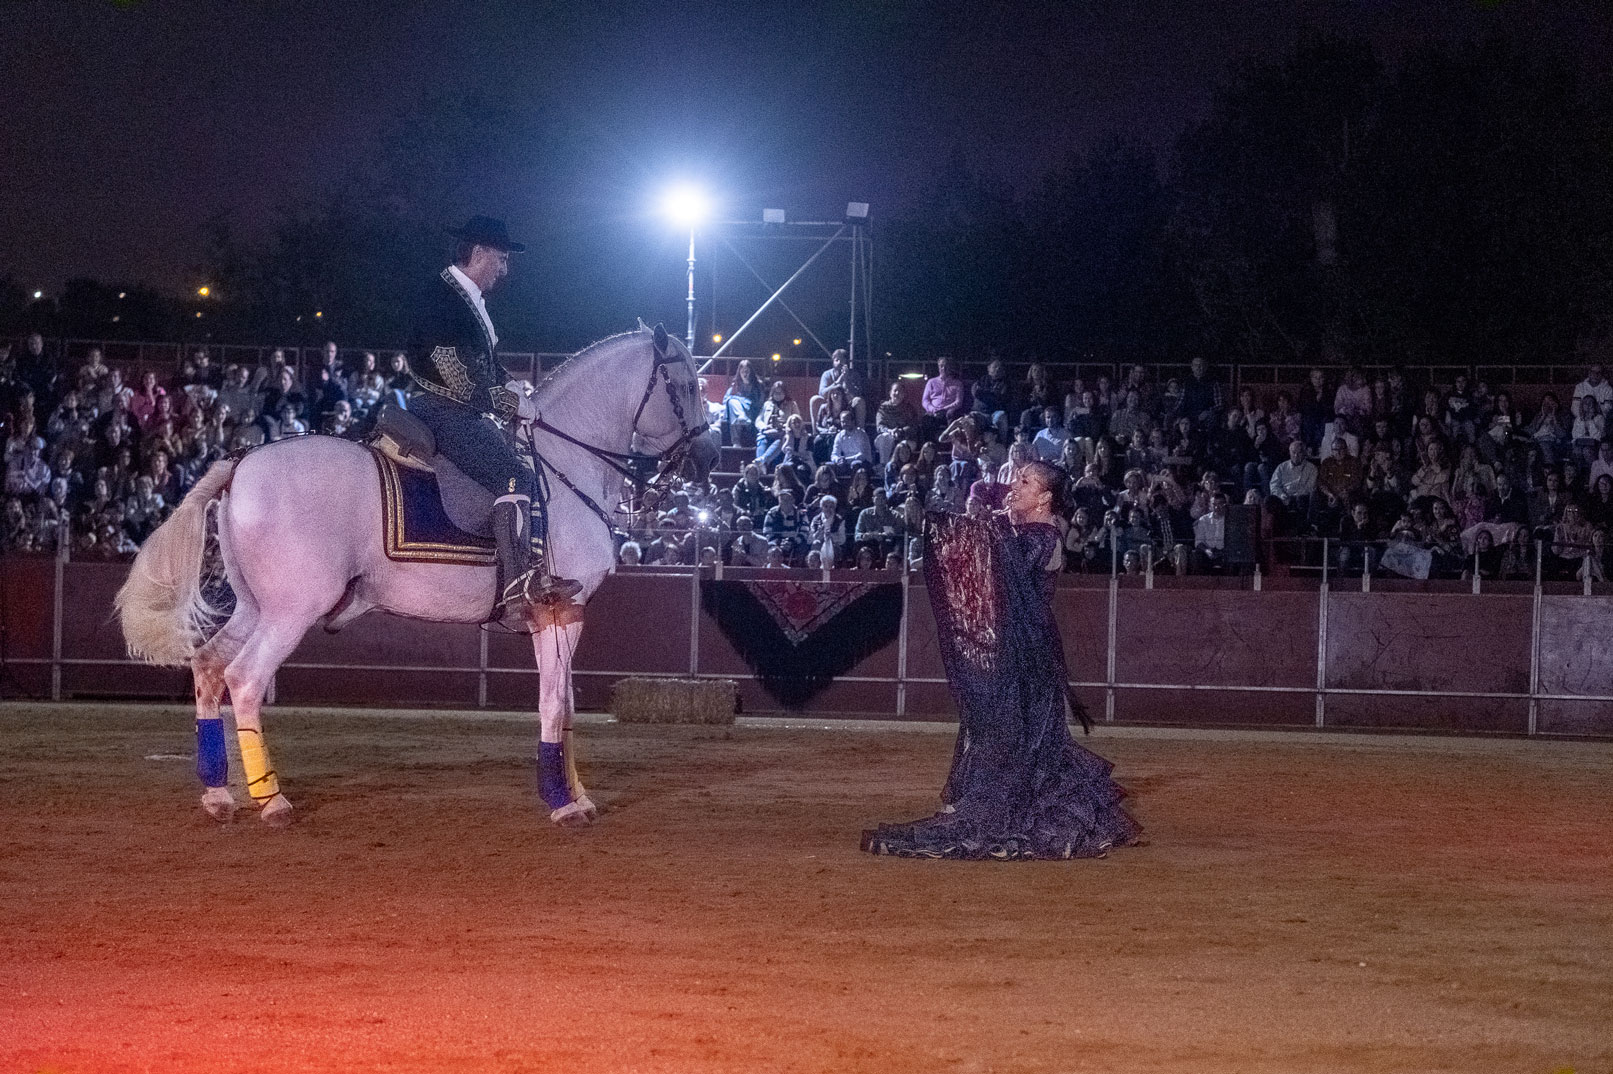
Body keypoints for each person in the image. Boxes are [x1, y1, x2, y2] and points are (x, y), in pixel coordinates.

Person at [861, 460, 1142, 860]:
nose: (1015, 486)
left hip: (1027, 658)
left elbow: (1003, 572)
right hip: (1017, 653)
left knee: (1017, 739)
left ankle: (1008, 814)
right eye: (1017, 478)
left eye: (1026, 482)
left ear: (1045, 497)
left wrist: (991, 528)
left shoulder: (1043, 537)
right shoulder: (1024, 533)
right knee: (1016, 738)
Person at [405, 215, 579, 626]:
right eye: (500, 259)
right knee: (516, 478)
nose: (505, 269)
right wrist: (507, 403)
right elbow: (450, 368)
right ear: (479, 253)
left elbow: (484, 365)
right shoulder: (442, 298)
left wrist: (514, 387)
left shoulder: (463, 297)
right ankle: (518, 588)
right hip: (444, 409)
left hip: (457, 406)